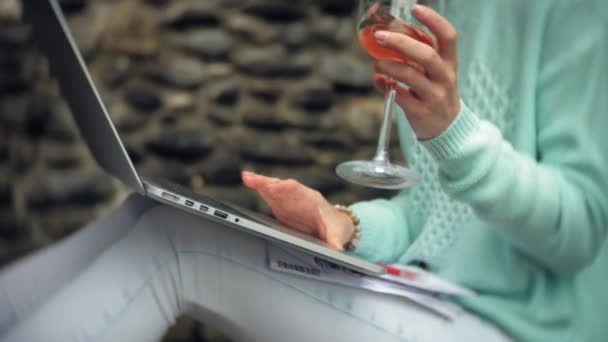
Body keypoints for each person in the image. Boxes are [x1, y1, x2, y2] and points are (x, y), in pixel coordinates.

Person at [1, 1, 607, 341]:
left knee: (176, 248)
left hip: (521, 327)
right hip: (434, 292)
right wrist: (345, 222)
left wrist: (454, 133)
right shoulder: (427, 8)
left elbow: (579, 232)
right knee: (150, 212)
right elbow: (436, 213)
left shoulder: (577, 14)